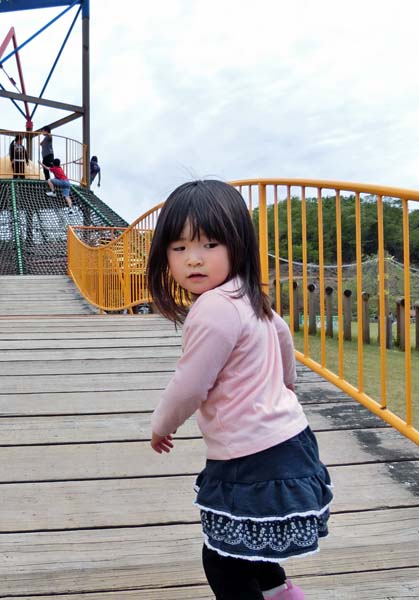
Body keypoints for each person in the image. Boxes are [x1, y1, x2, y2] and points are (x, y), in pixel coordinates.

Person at [146, 180, 332, 600]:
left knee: (223, 559)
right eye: (178, 248)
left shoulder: (213, 308)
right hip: (291, 440)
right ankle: (284, 595)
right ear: (165, 256)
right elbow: (286, 355)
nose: (194, 259)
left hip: (251, 456)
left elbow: (191, 384)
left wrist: (162, 424)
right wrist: (282, 394)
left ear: (238, 246)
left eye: (210, 244)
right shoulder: (253, 300)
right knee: (254, 541)